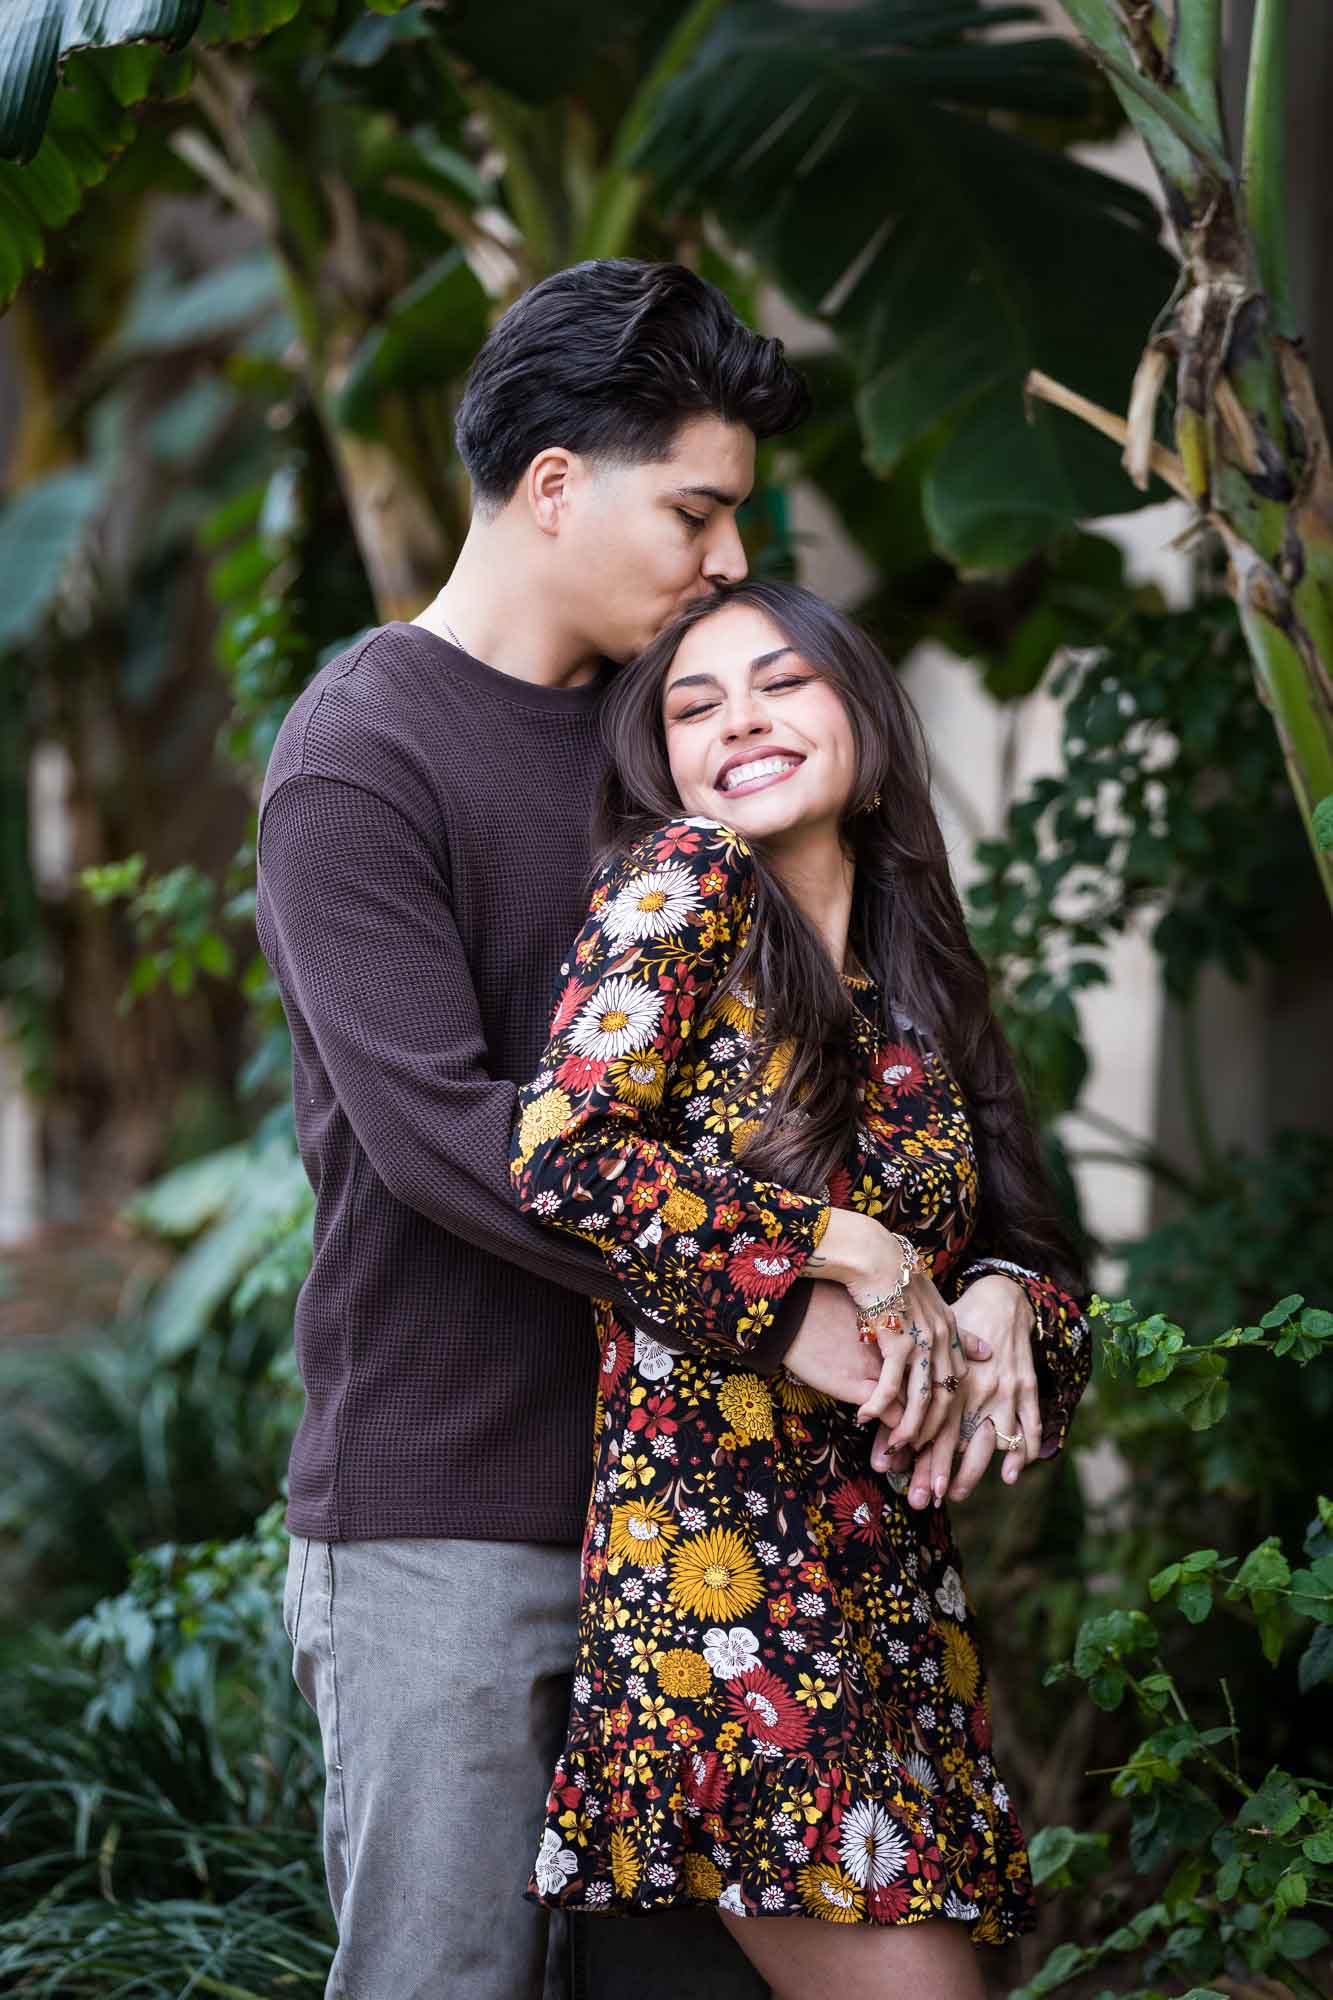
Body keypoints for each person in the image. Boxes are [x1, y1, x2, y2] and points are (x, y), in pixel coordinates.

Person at [257, 259, 917, 2000]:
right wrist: (791, 1278)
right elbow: (442, 1134)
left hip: (727, 1525)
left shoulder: (680, 741)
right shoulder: (359, 753)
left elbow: (868, 1071)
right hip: (458, 1518)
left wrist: (980, 1282)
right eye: (695, 510)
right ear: (555, 487)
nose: (724, 562)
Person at [509, 579, 1092, 1999]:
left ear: (864, 724)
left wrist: (1009, 1297)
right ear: (664, 760)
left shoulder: (915, 976)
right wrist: (850, 1246)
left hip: (893, 1601)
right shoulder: (684, 884)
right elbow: (564, 1154)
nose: (741, 722)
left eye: (782, 684)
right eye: (695, 705)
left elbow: (1030, 1245)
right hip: (727, 1601)